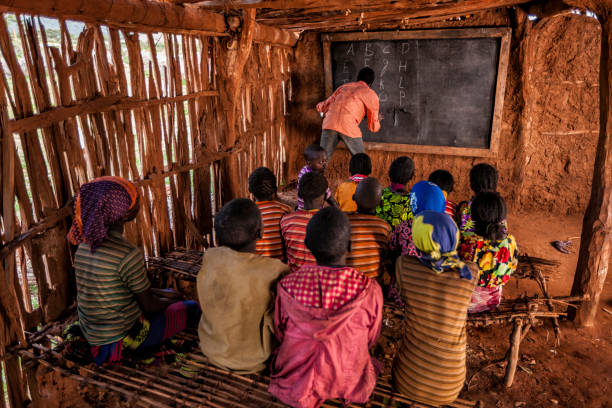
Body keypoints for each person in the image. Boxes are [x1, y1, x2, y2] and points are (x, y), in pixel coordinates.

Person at [68, 176, 200, 365]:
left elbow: (120, 289)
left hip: (92, 332)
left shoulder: (83, 247)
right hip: (120, 340)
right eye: (133, 199)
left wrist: (164, 295)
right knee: (190, 308)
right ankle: (141, 344)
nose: (137, 199)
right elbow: (149, 306)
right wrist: (173, 300)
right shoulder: (127, 254)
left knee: (169, 295)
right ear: (123, 214)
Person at [269, 207, 383, 408]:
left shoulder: (287, 285)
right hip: (350, 377)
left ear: (307, 245)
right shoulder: (369, 289)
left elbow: (280, 331)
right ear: (349, 245)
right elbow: (371, 338)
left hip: (296, 379)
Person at [392, 211, 477, 406]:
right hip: (449, 386)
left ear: (419, 241)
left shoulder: (404, 265)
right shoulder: (470, 272)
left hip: (407, 379)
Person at [197, 199, 289, 373]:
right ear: (260, 232)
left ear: (218, 235)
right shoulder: (275, 270)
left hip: (212, 349)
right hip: (253, 359)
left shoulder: (210, 257)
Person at [457, 192, 518, 313]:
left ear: (473, 217)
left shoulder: (466, 242)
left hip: (464, 303)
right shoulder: (510, 242)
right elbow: (512, 269)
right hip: (492, 302)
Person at [316, 67, 382, 158]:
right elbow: (373, 127)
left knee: (321, 160)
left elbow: (324, 106)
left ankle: (312, 172)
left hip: (329, 123)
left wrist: (321, 109)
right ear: (371, 83)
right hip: (348, 125)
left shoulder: (344, 87)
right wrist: (377, 120)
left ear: (357, 78)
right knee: (361, 161)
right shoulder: (370, 94)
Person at [281, 172, 328, 272]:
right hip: (322, 280)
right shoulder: (331, 222)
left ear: (299, 195)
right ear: (325, 196)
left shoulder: (286, 221)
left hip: (294, 280)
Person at [346, 177, 392, 279]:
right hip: (373, 284)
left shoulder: (343, 221)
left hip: (346, 282)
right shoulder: (384, 227)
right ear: (381, 203)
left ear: (354, 198)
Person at [389, 180, 446, 259]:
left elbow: (392, 248)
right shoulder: (445, 234)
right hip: (431, 271)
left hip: (405, 270)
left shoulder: (404, 227)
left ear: (414, 203)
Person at [248, 167, 291, 260]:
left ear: (250, 190)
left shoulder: (247, 213)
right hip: (279, 266)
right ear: (275, 189)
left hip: (256, 267)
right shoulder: (285, 210)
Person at [458, 163, 501, 235]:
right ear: (495, 183)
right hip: (496, 244)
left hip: (469, 244)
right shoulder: (500, 207)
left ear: (472, 184)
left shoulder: (465, 207)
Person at [375, 156, 415, 227]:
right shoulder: (411, 202)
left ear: (390, 172)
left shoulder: (379, 194)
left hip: (379, 235)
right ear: (411, 176)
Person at [296, 144, 336, 210]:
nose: (325, 164)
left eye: (326, 161)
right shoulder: (304, 174)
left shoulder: (319, 171)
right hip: (304, 208)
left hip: (317, 208)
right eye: (321, 162)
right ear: (309, 163)